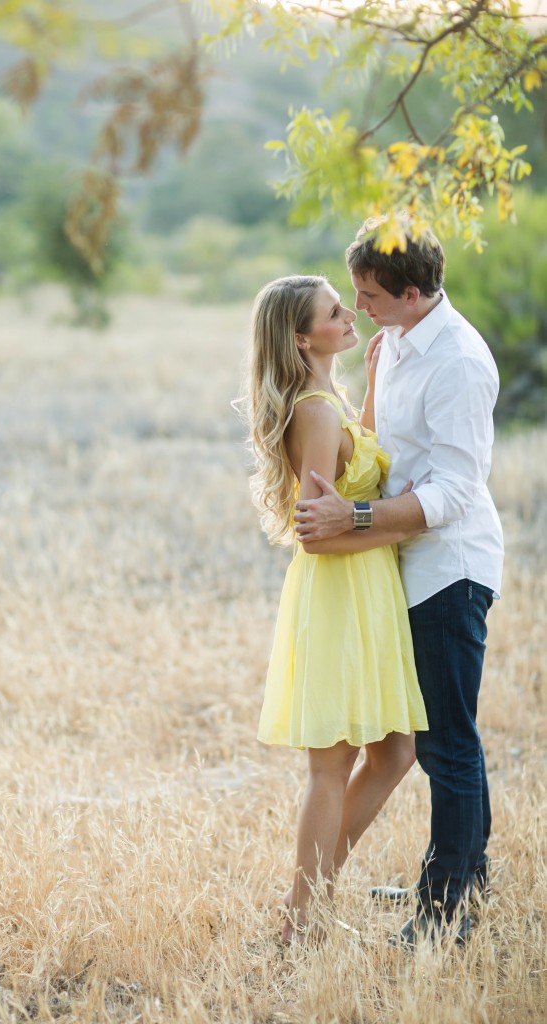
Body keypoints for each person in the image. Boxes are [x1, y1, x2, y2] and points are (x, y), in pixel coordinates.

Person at [294, 219, 504, 948]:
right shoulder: (396, 346)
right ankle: (460, 876)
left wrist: (352, 516)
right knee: (435, 740)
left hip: (449, 567)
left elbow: (454, 494)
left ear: (414, 292)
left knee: (447, 744)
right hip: (400, 566)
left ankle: (445, 909)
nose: (360, 308)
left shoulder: (459, 363)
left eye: (371, 295)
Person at [243, 274, 428, 944]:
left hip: (366, 592)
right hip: (341, 591)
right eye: (333, 311)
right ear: (300, 337)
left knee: (395, 752)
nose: (350, 313)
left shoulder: (330, 401)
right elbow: (318, 537)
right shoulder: (315, 412)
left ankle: (306, 903)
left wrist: (375, 387)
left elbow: (357, 472)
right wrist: (406, 527)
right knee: (334, 765)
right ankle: (303, 915)